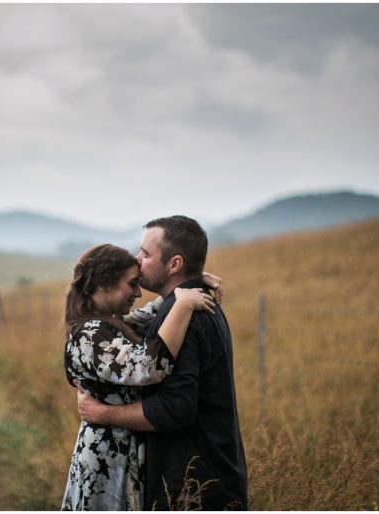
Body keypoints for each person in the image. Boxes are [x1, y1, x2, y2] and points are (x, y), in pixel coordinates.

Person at [77, 216, 248, 510]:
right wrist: (197, 278)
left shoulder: (184, 315)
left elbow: (174, 409)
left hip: (193, 487)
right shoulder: (187, 302)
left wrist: (102, 413)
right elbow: (112, 327)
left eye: (145, 253)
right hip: (209, 475)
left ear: (174, 264)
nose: (136, 259)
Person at [61, 243, 217, 511]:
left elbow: (151, 314)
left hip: (123, 451)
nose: (138, 292)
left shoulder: (108, 324)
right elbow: (146, 369)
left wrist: (191, 281)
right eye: (132, 284)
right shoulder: (89, 335)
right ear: (104, 284)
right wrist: (184, 305)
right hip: (104, 461)